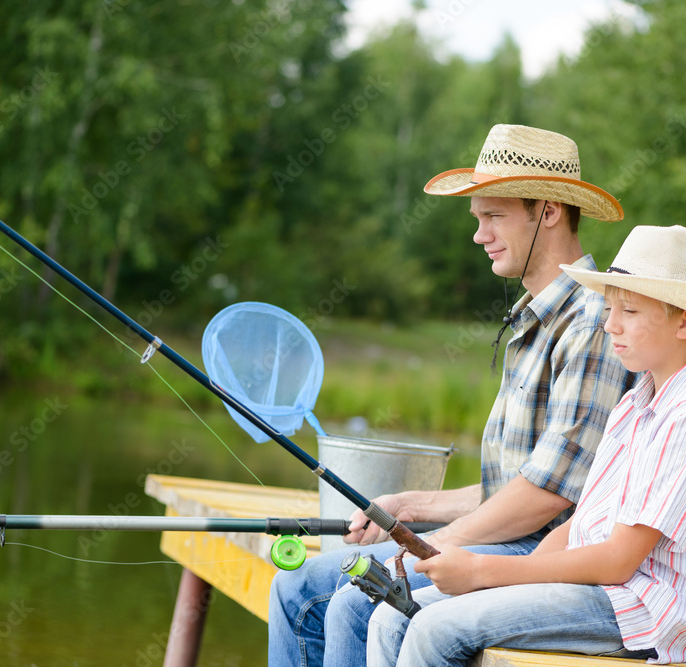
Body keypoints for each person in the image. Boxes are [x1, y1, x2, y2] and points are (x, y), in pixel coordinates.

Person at [268, 124, 635, 666]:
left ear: (550, 211)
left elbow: (550, 496)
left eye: (494, 216)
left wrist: (439, 543)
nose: (479, 235)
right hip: (515, 536)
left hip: (544, 554)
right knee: (296, 584)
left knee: (349, 600)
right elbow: (515, 484)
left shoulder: (589, 324)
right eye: (478, 218)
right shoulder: (538, 320)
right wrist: (406, 510)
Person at [366, 224, 686, 666]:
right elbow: (579, 525)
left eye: (628, 311)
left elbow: (617, 562)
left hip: (640, 611)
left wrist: (483, 571)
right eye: (610, 308)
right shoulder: (637, 402)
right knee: (391, 616)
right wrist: (511, 581)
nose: (610, 324)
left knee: (434, 627)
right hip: (592, 589)